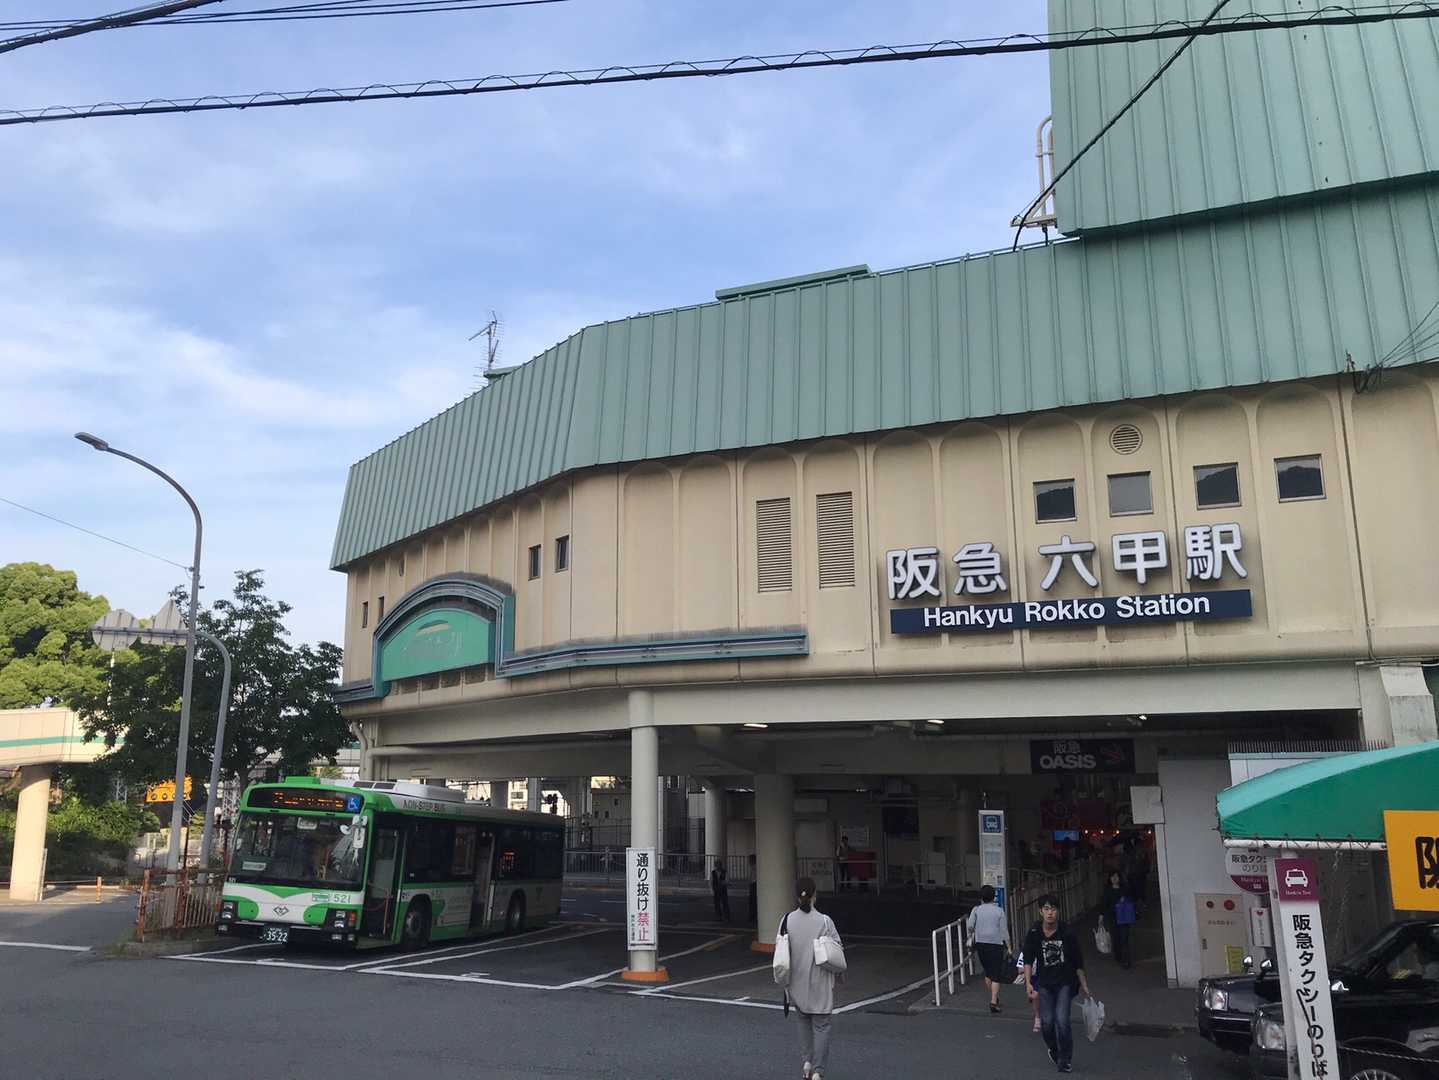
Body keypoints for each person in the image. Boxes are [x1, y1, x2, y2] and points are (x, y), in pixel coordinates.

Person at [777, 876, 844, 1080]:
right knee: (822, 1026)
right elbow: (837, 949)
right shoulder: (825, 921)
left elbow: (781, 950)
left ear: (797, 897)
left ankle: (806, 1063)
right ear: (815, 895)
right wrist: (840, 975)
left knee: (803, 1021)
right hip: (820, 983)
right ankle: (818, 1071)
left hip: (797, 983)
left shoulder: (786, 920)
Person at [1023, 894, 1092, 1074]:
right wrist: (1028, 983)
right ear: (1040, 911)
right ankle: (1053, 1049)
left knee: (1062, 1021)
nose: (1050, 913)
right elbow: (1028, 959)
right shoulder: (1034, 932)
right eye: (1046, 909)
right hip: (1044, 983)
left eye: (1053, 909)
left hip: (1064, 983)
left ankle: (1065, 1059)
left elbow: (1078, 961)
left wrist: (1084, 984)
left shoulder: (1067, 932)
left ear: (1058, 911)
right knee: (1047, 1023)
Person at [966, 884, 1011, 1013]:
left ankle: (994, 997)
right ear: (993, 897)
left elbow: (970, 926)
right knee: (996, 974)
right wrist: (1009, 946)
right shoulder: (999, 911)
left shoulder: (976, 910)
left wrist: (974, 932)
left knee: (988, 973)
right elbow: (1004, 931)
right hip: (996, 945)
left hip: (981, 944)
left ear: (981, 897)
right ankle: (993, 1002)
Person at [1100, 869, 1137, 969]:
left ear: (1119, 878)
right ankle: (1118, 956)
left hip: (1124, 917)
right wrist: (1101, 916)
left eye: (1116, 876)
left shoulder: (1125, 889)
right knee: (1116, 938)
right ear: (1110, 878)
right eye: (1112, 877)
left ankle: (1126, 960)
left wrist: (1125, 899)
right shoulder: (1107, 890)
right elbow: (1104, 904)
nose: (1114, 878)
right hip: (1113, 918)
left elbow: (1132, 898)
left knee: (1124, 938)